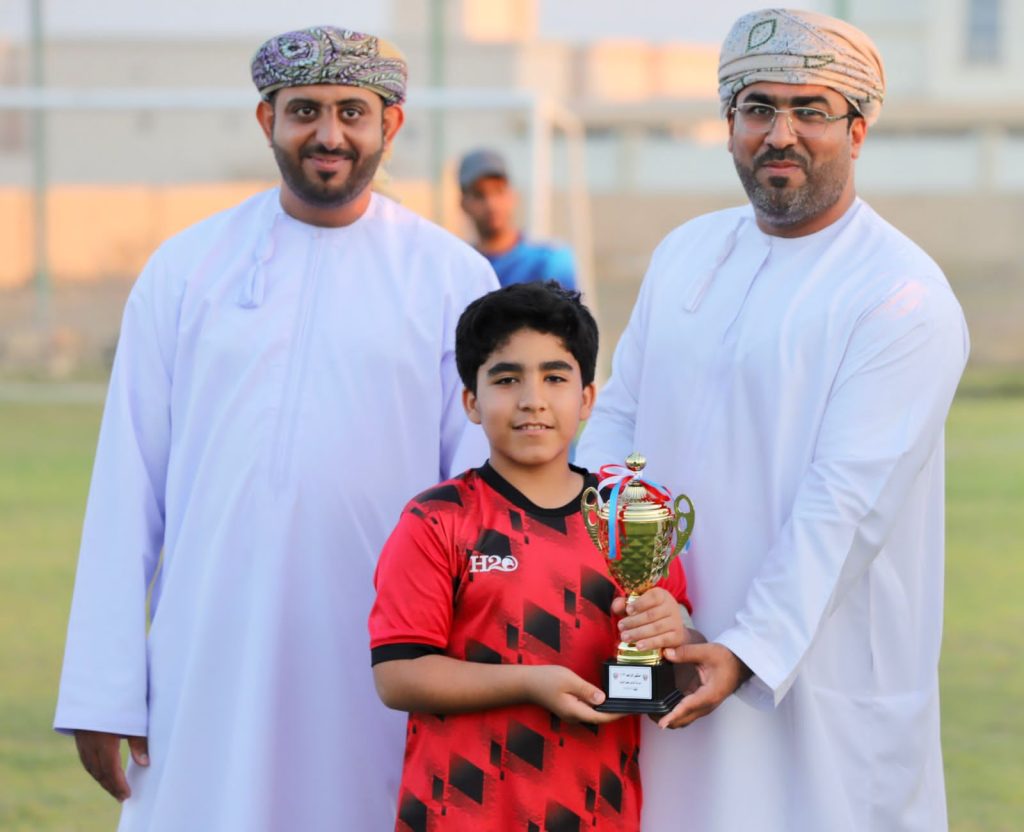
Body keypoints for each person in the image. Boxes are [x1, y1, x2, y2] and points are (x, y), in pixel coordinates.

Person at [54, 25, 498, 832]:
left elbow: (478, 495)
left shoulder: (451, 278)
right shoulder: (186, 267)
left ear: (391, 125)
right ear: (268, 120)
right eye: (304, 111)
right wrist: (103, 688)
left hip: (381, 651)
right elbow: (128, 485)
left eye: (351, 112)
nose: (328, 134)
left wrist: (470, 677)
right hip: (208, 642)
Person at [576, 8, 969, 832]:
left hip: (815, 686)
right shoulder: (685, 253)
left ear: (857, 131)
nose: (780, 134)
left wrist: (745, 650)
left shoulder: (901, 295)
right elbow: (615, 426)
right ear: (729, 125)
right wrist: (630, 591)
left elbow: (846, 504)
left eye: (810, 110)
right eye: (758, 108)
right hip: (664, 641)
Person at [369, 281, 701, 830]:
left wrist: (677, 635)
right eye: (506, 379)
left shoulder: (631, 519)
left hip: (598, 813)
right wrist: (530, 682)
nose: (532, 400)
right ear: (471, 402)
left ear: (587, 399)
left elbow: (686, 679)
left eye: (554, 377)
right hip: (461, 815)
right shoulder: (437, 520)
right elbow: (398, 675)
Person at [458, 148, 577, 289]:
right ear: (463, 204)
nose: (491, 204)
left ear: (513, 195)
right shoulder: (461, 266)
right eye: (479, 195)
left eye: (499, 191)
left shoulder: (549, 259)